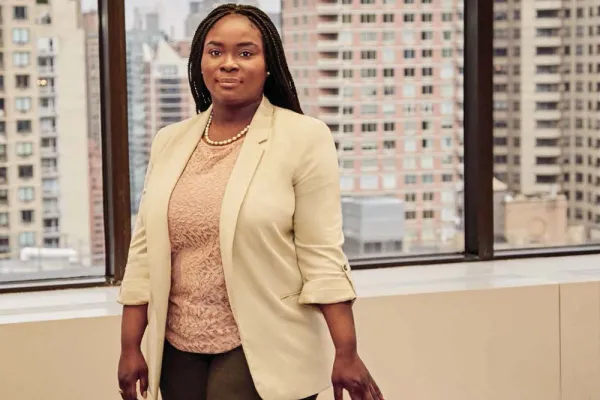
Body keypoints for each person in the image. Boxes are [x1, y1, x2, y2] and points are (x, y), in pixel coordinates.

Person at [117, 4, 383, 400]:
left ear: (268, 64)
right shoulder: (169, 141)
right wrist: (129, 346)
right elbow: (143, 252)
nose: (229, 64)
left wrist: (347, 350)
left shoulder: (304, 138)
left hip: (265, 340)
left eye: (245, 52)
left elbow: (321, 253)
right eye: (215, 52)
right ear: (199, 62)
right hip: (178, 345)